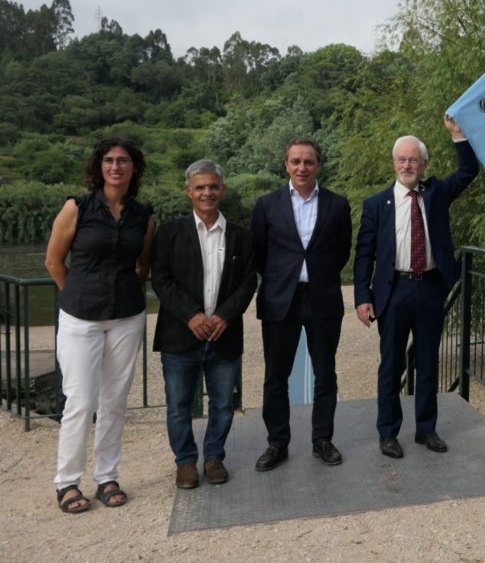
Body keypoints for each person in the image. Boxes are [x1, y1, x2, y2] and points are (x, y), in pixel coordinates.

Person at [354, 114, 479, 459]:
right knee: (391, 365)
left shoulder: (436, 194)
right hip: (393, 292)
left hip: (429, 288)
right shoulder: (376, 205)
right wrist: (362, 297)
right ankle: (388, 432)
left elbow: (468, 172)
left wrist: (457, 135)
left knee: (428, 362)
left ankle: (426, 429)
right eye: (402, 159)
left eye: (413, 159)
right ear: (394, 163)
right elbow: (364, 254)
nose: (407, 164)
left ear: (423, 164)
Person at [44, 137, 155, 513]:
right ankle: (68, 482)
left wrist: (121, 295)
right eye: (109, 160)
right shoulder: (76, 207)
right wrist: (76, 295)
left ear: (134, 168)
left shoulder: (144, 215)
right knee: (80, 400)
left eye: (123, 160)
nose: (116, 166)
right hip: (80, 317)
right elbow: (54, 262)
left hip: (126, 317)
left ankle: (107, 475)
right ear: (99, 166)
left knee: (114, 400)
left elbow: (141, 267)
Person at [151, 160, 257, 489]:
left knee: (223, 403)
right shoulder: (169, 233)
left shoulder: (241, 235)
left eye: (213, 186)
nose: (207, 192)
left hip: (224, 333)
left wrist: (225, 314)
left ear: (222, 190)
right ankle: (185, 462)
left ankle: (213, 457)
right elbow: (161, 280)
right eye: (200, 187)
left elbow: (248, 281)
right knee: (179, 405)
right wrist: (192, 315)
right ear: (188, 191)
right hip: (180, 334)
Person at [251, 138, 352, 471]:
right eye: (296, 161)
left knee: (325, 374)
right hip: (281, 299)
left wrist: (316, 275)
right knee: (275, 377)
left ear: (318, 165)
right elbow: (260, 255)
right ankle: (277, 444)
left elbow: (341, 252)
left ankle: (322, 440)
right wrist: (285, 277)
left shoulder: (338, 205)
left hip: (322, 298)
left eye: (309, 162)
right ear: (286, 165)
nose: (302, 167)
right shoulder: (267, 205)